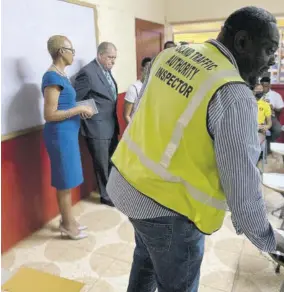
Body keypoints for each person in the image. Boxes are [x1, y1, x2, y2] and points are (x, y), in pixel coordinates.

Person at [106, 7, 284, 292]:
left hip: (128, 188)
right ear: (242, 43)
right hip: (170, 212)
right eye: (269, 49)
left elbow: (144, 117)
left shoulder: (168, 56)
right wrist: (268, 239)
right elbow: (242, 185)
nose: (272, 60)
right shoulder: (233, 93)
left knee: (146, 261)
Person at [42, 35, 94, 240]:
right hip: (59, 135)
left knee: (69, 178)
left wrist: (78, 109)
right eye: (71, 50)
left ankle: (66, 220)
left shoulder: (62, 76)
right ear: (61, 51)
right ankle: (68, 226)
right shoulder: (52, 78)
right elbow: (50, 114)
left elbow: (64, 106)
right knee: (64, 181)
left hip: (68, 134)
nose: (73, 54)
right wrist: (78, 108)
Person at [74, 42, 119, 207]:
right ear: (100, 55)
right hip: (97, 127)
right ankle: (105, 195)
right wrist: (92, 113)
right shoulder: (87, 72)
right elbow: (76, 99)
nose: (113, 62)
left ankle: (112, 190)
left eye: (115, 58)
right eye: (110, 57)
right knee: (101, 163)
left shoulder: (106, 71)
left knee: (112, 162)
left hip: (111, 125)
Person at [123, 57, 151, 124]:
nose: (149, 71)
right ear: (142, 69)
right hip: (137, 127)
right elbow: (126, 115)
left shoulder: (154, 87)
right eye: (147, 68)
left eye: (151, 69)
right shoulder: (133, 88)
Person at [260, 76, 284, 142]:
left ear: (269, 86)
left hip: (270, 116)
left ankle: (269, 141)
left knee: (278, 130)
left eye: (265, 86)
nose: (263, 88)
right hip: (258, 116)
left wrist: (273, 108)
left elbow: (280, 109)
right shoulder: (257, 93)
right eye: (262, 85)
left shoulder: (275, 95)